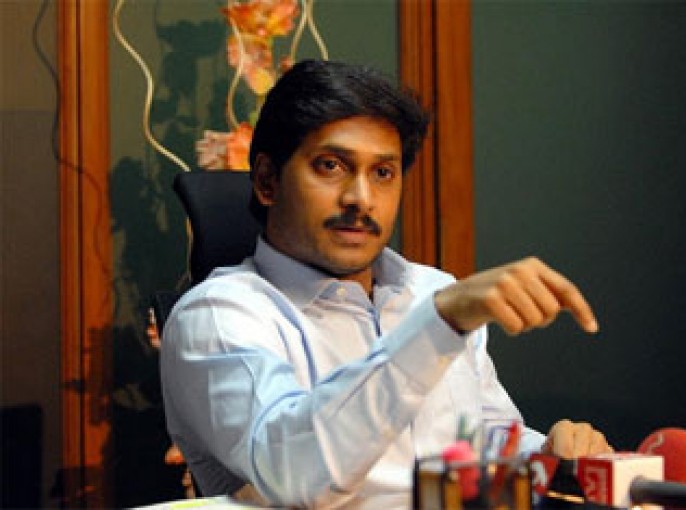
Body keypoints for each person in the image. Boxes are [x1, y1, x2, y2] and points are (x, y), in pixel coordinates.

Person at [160, 59, 612, 509]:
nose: (361, 198)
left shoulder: (430, 290)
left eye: (382, 173)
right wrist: (438, 325)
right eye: (331, 166)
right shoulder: (218, 316)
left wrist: (547, 453)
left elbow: (483, 444)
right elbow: (295, 475)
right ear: (266, 181)